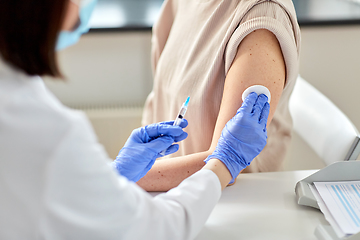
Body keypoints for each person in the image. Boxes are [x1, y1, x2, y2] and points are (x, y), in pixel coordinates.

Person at [0, 0, 270, 239]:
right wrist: (224, 162)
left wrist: (113, 175)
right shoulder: (50, 132)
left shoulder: (261, 17)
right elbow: (157, 229)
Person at [139, 0, 301, 191]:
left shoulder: (261, 20)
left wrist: (123, 177)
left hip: (226, 201)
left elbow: (222, 167)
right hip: (164, 192)